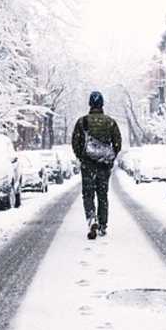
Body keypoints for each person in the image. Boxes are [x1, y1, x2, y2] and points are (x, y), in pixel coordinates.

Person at [71, 91, 122, 240]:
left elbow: (75, 143)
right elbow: (117, 143)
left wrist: (82, 157)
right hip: (104, 166)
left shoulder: (82, 122)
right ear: (102, 104)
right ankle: (103, 225)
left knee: (88, 194)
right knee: (102, 195)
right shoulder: (110, 122)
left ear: (90, 104)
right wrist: (109, 158)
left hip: (88, 165)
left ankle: (91, 218)